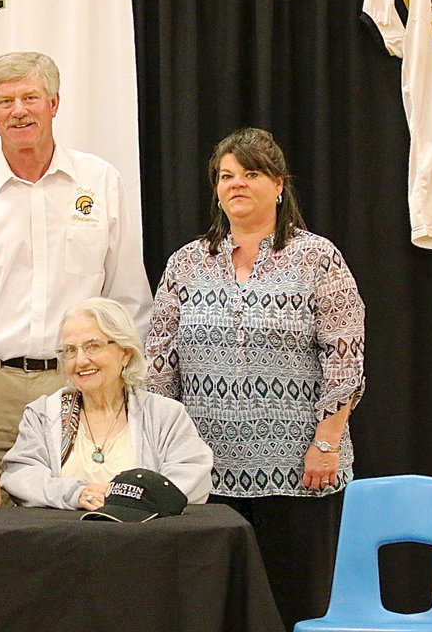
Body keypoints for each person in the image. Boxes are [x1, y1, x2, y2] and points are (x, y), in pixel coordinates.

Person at [145, 127, 365, 630]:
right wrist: (164, 449)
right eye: (226, 176)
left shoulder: (318, 257)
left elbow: (345, 354)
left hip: (300, 466)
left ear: (279, 185)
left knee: (295, 604)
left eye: (251, 173)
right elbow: (158, 361)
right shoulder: (186, 262)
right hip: (204, 469)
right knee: (217, 609)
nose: (236, 184)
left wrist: (327, 443)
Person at [0, 51, 152, 478]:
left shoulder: (99, 182)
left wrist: (127, 384)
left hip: (81, 382)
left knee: (83, 514)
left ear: (54, 104)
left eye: (30, 98)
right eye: (6, 101)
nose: (18, 111)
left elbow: (127, 296)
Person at [0, 297, 211, 510]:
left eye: (93, 346)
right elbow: (20, 475)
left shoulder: (165, 415)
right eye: (70, 350)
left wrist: (126, 498)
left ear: (126, 353)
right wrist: (76, 493)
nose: (81, 360)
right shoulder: (43, 414)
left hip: (143, 535)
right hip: (64, 537)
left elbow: (192, 476)